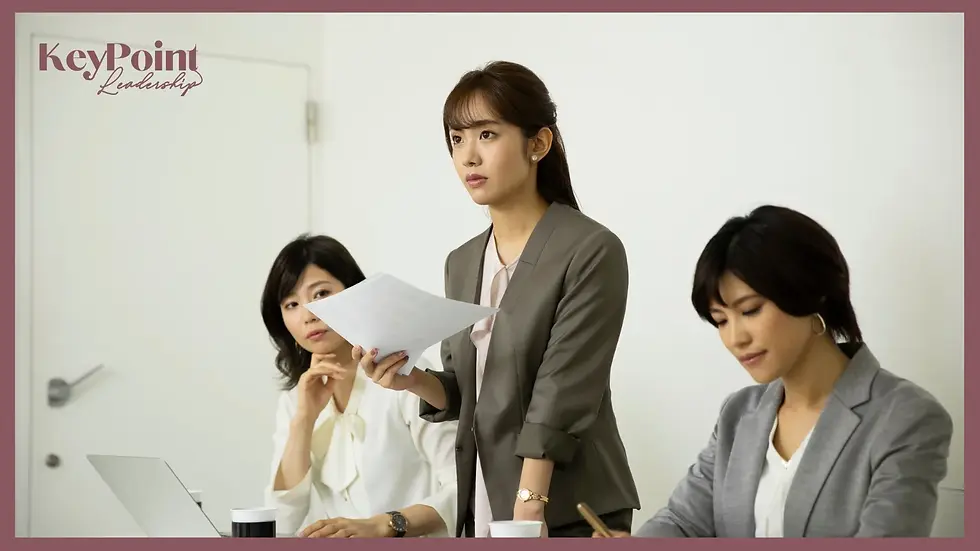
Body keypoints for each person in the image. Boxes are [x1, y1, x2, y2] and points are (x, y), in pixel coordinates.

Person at [353, 60, 640, 538]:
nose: (468, 156)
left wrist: (529, 510)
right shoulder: (461, 262)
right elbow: (475, 394)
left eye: (486, 135)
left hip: (566, 508)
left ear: (538, 144)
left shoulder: (591, 250)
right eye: (456, 140)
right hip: (484, 500)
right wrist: (412, 379)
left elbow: (561, 393)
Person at [597, 205, 953, 538]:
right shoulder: (739, 413)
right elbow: (683, 521)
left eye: (750, 311)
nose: (735, 338)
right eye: (721, 321)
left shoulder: (906, 418)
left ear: (812, 295)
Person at [259, 234, 458, 538]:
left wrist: (384, 525)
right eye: (291, 304)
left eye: (321, 293)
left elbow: (462, 489)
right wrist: (304, 419)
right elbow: (282, 522)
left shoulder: (403, 372)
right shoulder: (295, 398)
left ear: (355, 292)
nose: (308, 315)